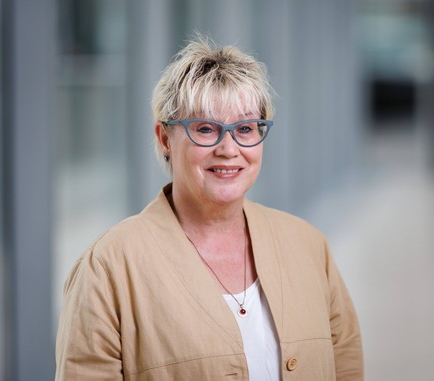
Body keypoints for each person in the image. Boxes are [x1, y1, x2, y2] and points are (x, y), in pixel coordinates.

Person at [55, 36, 363, 380]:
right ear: (164, 138)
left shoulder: (308, 246)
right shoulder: (108, 268)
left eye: (245, 128)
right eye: (205, 128)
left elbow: (346, 365)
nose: (229, 149)